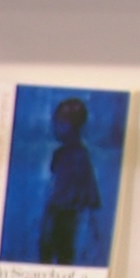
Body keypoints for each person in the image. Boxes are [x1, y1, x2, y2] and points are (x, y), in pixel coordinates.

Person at [39, 96, 102, 265]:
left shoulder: (77, 155)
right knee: (55, 250)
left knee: (61, 251)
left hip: (66, 213)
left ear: (73, 126)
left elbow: (87, 186)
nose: (55, 127)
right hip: (61, 211)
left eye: (59, 122)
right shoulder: (63, 153)